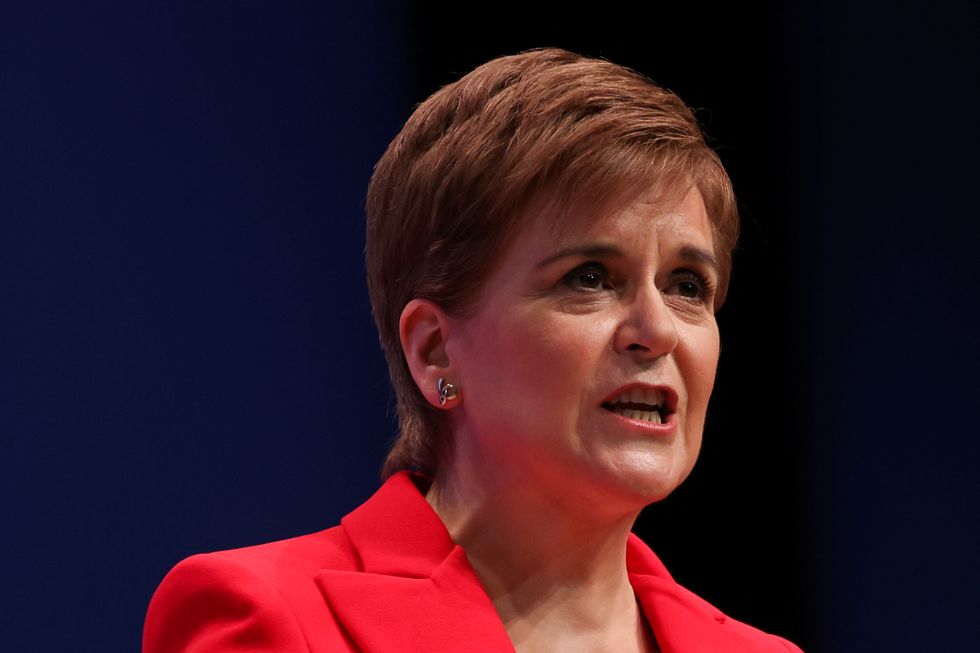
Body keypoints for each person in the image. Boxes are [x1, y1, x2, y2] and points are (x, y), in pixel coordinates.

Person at [143, 48, 803, 652]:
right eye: (590, 277)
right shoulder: (272, 620)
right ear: (434, 351)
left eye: (688, 285)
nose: (655, 330)